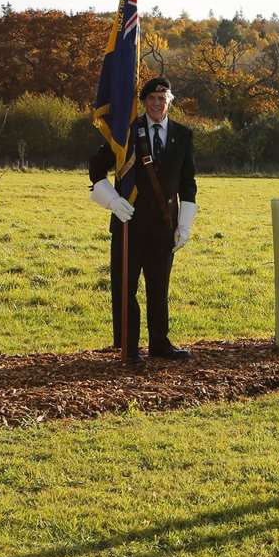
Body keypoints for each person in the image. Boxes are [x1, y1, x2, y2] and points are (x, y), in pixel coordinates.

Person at [89, 77, 197, 363]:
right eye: (151, 98)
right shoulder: (126, 132)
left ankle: (160, 344)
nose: (157, 104)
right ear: (143, 102)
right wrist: (112, 201)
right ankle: (129, 347)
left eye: (163, 99)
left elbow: (188, 184)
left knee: (159, 287)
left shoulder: (182, 135)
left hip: (164, 226)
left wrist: (184, 224)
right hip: (129, 223)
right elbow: (95, 170)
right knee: (126, 287)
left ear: (169, 102)